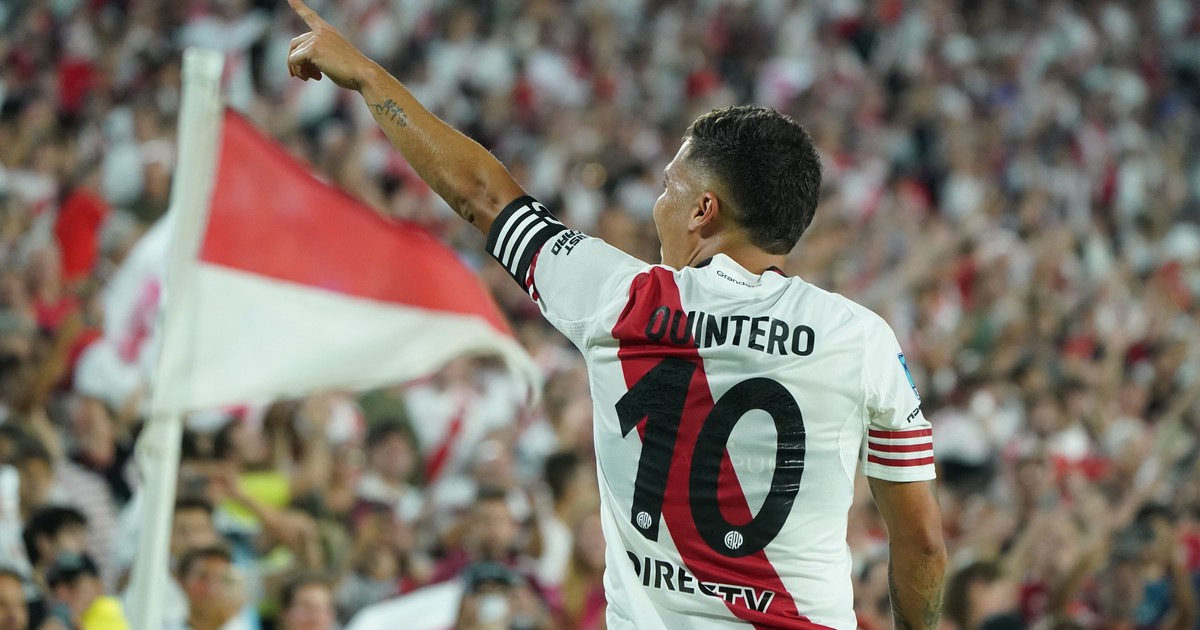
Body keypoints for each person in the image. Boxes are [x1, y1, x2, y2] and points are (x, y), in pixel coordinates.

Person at [283, 1, 947, 628]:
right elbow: (920, 542)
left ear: (703, 210)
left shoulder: (622, 299)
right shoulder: (860, 338)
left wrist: (367, 77)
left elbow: (481, 195)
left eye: (669, 186)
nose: (658, 204)